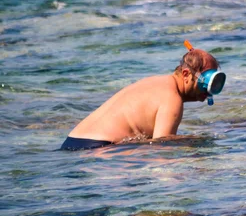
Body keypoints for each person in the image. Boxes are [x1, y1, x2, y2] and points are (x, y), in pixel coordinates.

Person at [60, 40, 226, 150]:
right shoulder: (172, 99)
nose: (210, 90)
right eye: (208, 81)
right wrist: (195, 142)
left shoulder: (155, 81)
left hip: (72, 143)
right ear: (186, 74)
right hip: (96, 150)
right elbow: (162, 149)